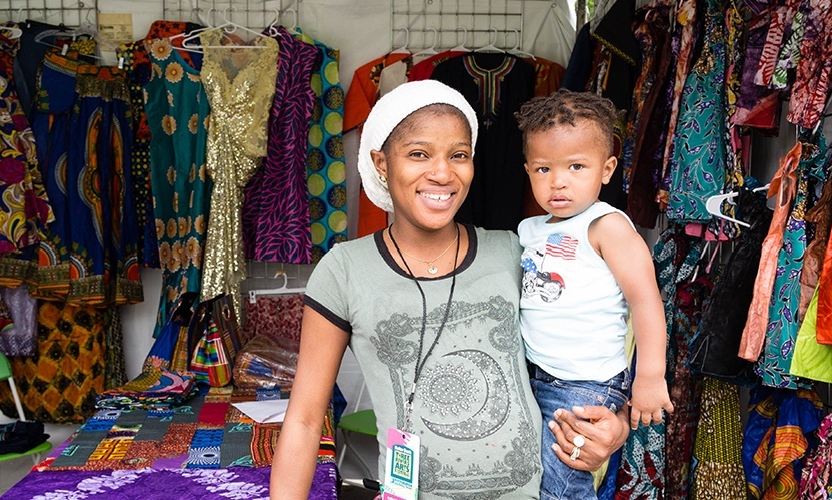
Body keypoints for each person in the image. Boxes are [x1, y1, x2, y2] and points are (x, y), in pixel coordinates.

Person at [270, 80, 631, 499]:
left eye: (458, 155)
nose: (442, 173)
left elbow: (583, 354)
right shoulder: (345, 270)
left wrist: (616, 425)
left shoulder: (515, 252)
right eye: (419, 154)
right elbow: (304, 420)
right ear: (382, 163)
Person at [514, 90, 673, 499]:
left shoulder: (607, 227)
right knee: (534, 475)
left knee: (562, 484)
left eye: (576, 166)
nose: (558, 181)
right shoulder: (531, 230)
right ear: (528, 170)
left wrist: (651, 376)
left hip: (584, 384)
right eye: (543, 168)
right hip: (537, 375)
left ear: (607, 170)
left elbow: (646, 301)